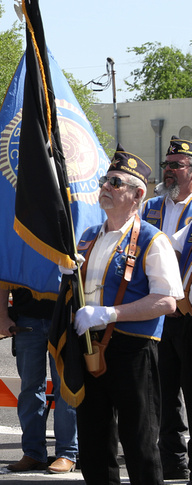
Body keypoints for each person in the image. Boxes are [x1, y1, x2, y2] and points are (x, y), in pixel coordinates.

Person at [71, 146, 183, 484]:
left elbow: (166, 302)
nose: (106, 186)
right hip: (91, 347)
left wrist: (110, 313)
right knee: (93, 443)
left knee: (139, 443)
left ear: (137, 195)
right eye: (105, 180)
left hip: (133, 350)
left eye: (115, 182)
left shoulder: (153, 240)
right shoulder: (88, 237)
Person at [142, 135, 192, 481]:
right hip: (158, 314)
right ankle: (172, 460)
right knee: (162, 392)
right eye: (166, 165)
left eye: (176, 165)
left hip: (189, 314)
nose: (168, 171)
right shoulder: (150, 208)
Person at [0, 288, 78, 473]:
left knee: (64, 389)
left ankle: (66, 454)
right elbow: (3, 275)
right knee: (30, 390)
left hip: (63, 315)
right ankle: (33, 453)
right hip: (26, 316)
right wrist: (2, 315)